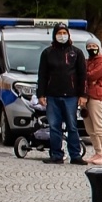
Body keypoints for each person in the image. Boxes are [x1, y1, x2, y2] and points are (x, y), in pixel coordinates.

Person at [36, 24, 87, 166]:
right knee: (54, 126)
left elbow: (83, 75)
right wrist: (41, 94)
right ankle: (56, 155)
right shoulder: (47, 53)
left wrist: (83, 95)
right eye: (60, 32)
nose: (62, 35)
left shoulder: (76, 53)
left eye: (65, 32)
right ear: (55, 35)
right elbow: (42, 75)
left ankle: (75, 155)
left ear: (69, 34)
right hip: (52, 95)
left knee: (72, 126)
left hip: (71, 96)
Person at [81, 38, 102, 166]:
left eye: (94, 45)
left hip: (96, 96)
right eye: (89, 46)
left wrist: (87, 77)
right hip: (86, 96)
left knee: (99, 127)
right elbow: (82, 75)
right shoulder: (88, 61)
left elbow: (92, 75)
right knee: (90, 128)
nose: (91, 48)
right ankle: (98, 152)